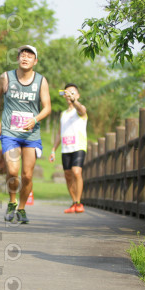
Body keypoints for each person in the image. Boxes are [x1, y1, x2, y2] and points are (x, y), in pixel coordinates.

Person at [0, 45, 51, 224]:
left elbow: (47, 107)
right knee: (12, 170)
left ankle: (22, 208)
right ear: (18, 59)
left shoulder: (41, 81)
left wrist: (35, 119)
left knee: (27, 175)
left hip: (31, 134)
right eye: (22, 55)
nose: (25, 58)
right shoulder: (6, 77)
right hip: (10, 131)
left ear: (35, 61)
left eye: (29, 56)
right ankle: (12, 201)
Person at [50, 84, 88, 213]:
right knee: (67, 175)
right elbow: (60, 133)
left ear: (77, 95)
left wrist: (74, 101)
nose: (69, 95)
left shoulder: (80, 110)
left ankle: (78, 202)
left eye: (72, 92)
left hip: (78, 147)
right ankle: (74, 202)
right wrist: (53, 149)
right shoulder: (63, 114)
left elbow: (82, 110)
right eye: (67, 93)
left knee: (76, 172)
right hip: (65, 148)